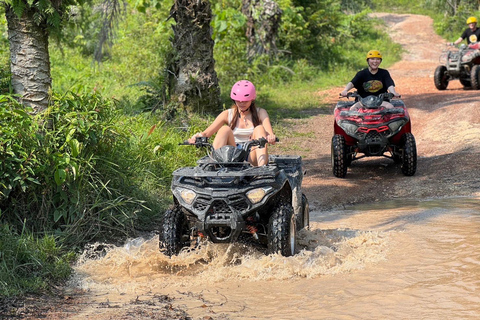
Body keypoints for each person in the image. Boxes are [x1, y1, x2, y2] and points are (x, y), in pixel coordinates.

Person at [188, 80, 276, 166]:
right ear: (234, 100)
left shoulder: (260, 112)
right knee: (224, 129)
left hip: (252, 154)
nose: (241, 103)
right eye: (238, 101)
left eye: (245, 101)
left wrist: (270, 137)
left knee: (259, 128)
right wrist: (197, 137)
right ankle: (213, 165)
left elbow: (269, 132)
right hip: (232, 154)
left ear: (251, 99)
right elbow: (206, 133)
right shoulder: (227, 114)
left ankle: (262, 170)